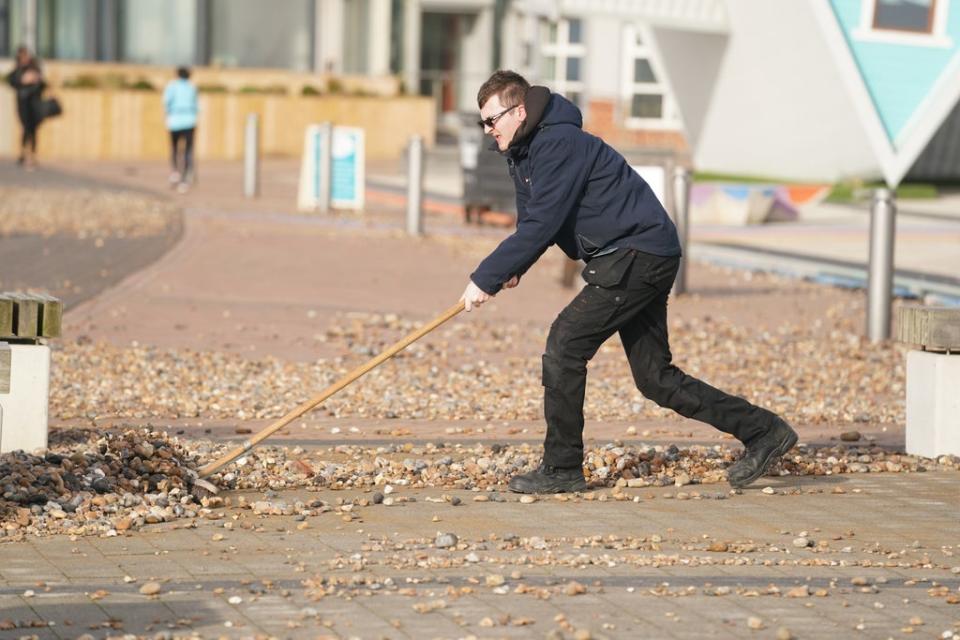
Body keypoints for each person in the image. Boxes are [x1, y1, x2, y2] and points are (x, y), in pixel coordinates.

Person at [460, 70, 797, 494]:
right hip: (634, 254)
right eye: (483, 123)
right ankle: (765, 431)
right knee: (655, 378)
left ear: (520, 111)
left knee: (565, 344)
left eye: (493, 120)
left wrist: (483, 278)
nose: (489, 132)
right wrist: (513, 269)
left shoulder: (559, 144)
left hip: (637, 254)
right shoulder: (524, 152)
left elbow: (543, 223)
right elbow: (533, 223)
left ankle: (562, 467)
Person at [5, 46, 45, 169]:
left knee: (33, 129)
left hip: (34, 103)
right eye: (22, 56)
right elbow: (12, 81)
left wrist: (36, 80)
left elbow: (43, 85)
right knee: (25, 128)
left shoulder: (35, 68)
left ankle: (32, 154)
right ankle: (23, 154)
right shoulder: (17, 70)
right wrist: (23, 81)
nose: (24, 58)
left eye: (26, 55)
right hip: (22, 104)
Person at [163, 66, 199, 193]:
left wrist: (169, 114)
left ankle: (175, 172)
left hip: (175, 121)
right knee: (188, 151)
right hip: (189, 121)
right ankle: (184, 180)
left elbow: (166, 102)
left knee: (174, 148)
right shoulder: (192, 87)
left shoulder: (172, 86)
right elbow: (196, 105)